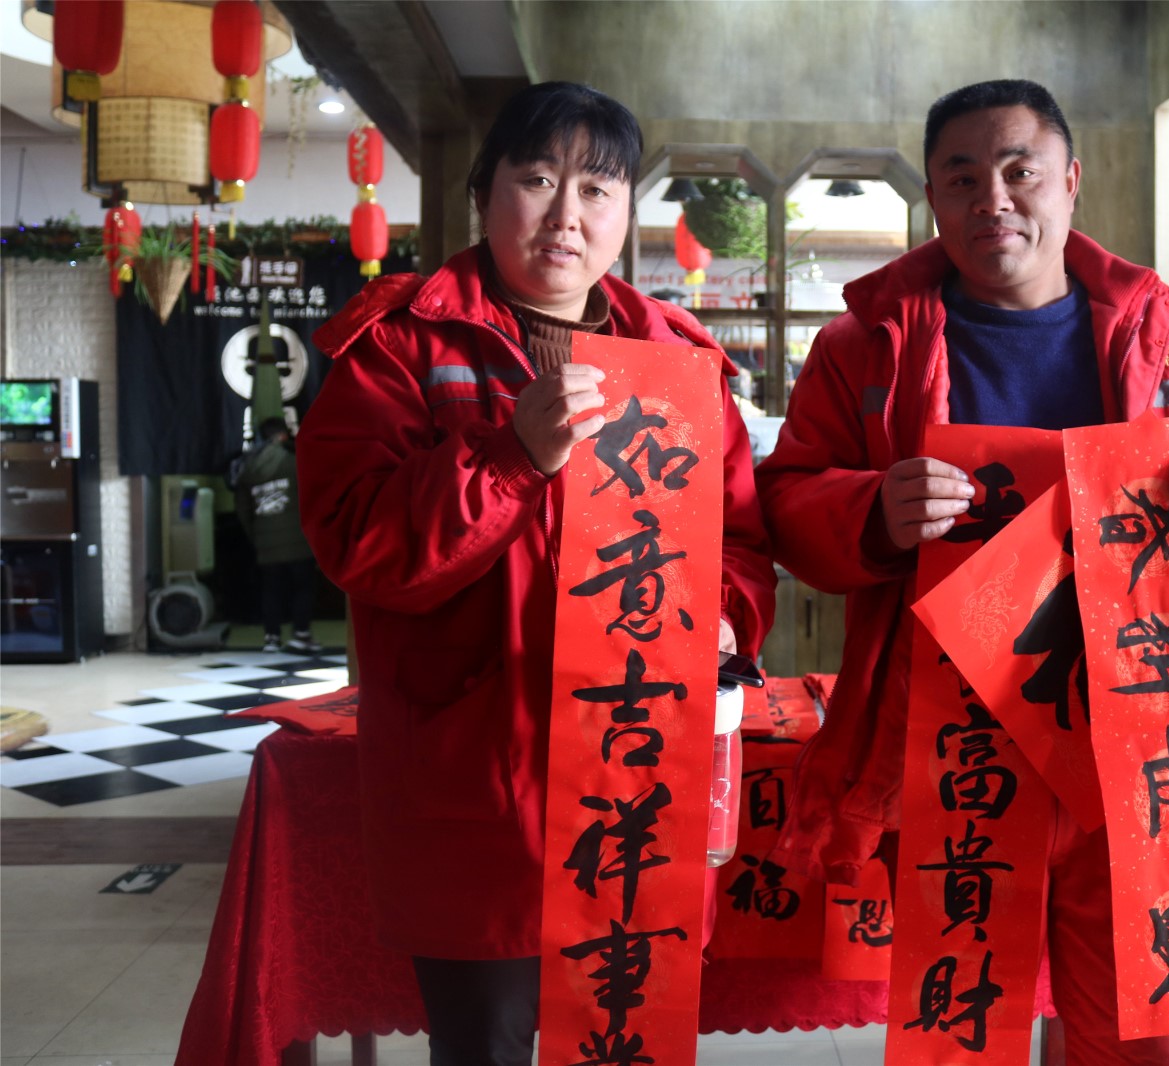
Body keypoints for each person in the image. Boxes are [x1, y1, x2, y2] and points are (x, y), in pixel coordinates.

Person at [756, 79, 1169, 1064]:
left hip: (1137, 727)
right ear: (932, 195)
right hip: (950, 727)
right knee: (961, 1022)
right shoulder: (864, 345)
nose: (993, 200)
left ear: (1071, 180)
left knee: (1138, 1031)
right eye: (963, 178)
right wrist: (871, 510)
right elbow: (787, 500)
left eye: (1020, 171)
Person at [295, 82, 775, 1066]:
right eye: (537, 179)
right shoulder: (401, 346)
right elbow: (360, 543)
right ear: (484, 192)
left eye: (596, 188)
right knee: (488, 1042)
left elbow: (737, 542)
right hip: (476, 774)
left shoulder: (674, 360)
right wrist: (512, 455)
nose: (566, 215)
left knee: (624, 1032)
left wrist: (725, 615)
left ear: (627, 212)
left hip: (637, 760)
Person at [231, 416, 321, 654]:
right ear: (283, 435)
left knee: (271, 590)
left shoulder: (248, 467)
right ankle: (301, 634)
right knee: (302, 587)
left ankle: (271, 637)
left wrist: (256, 534)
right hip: (298, 539)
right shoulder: (293, 461)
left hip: (265, 541)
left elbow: (242, 509)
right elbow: (311, 497)